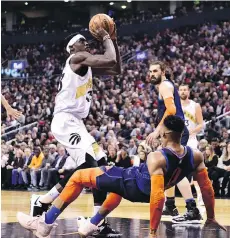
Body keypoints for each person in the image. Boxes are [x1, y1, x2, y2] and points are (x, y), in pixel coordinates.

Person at [17, 115, 226, 237]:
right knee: (113, 192)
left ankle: (44, 223)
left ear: (164, 133)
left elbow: (158, 197)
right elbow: (207, 190)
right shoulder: (195, 156)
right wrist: (211, 217)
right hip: (137, 188)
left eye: (159, 130)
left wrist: (153, 233)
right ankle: (91, 225)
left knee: (78, 176)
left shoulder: (157, 158)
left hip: (131, 182)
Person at [29, 22, 122, 236]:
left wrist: (113, 41)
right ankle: (45, 205)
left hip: (76, 122)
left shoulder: (84, 63)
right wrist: (106, 37)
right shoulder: (75, 58)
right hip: (64, 120)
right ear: (72, 48)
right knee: (90, 166)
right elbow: (108, 59)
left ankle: (94, 220)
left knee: (99, 165)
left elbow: (116, 67)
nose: (86, 42)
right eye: (82, 40)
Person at [146, 61, 201, 223]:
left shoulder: (164, 86)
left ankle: (192, 209)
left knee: (177, 170)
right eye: (150, 72)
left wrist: (157, 129)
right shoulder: (164, 85)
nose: (152, 74)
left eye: (155, 71)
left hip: (174, 131)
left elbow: (171, 110)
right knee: (168, 168)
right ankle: (170, 205)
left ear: (163, 72)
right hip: (170, 131)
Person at [179, 84, 204, 206]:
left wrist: (192, 132)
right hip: (177, 140)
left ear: (189, 92)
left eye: (185, 90)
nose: (183, 92)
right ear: (178, 92)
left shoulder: (195, 106)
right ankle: (170, 200)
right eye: (181, 90)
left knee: (194, 168)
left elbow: (200, 124)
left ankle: (200, 196)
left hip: (191, 139)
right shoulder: (175, 105)